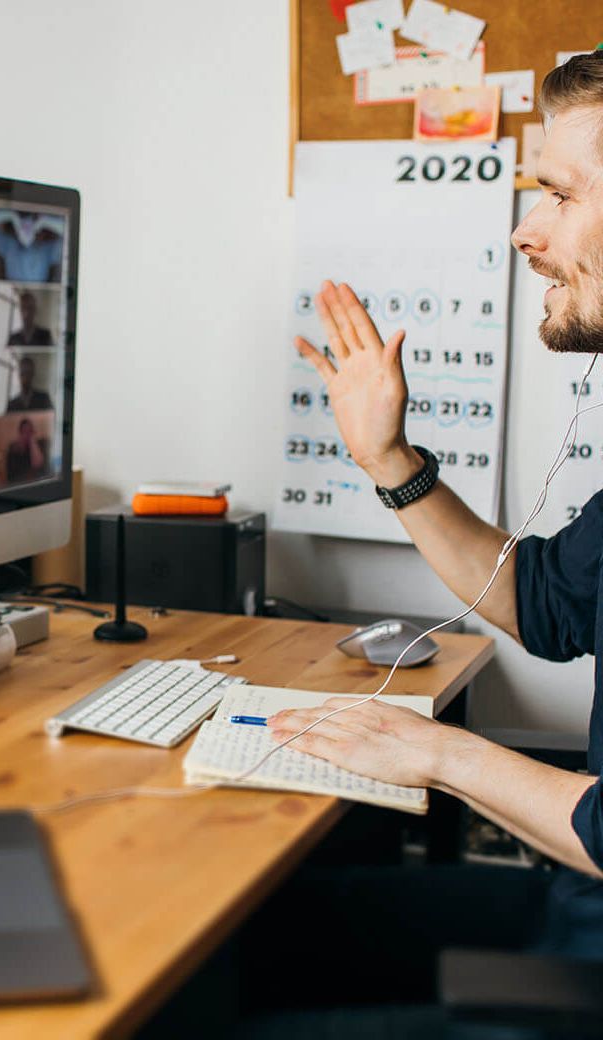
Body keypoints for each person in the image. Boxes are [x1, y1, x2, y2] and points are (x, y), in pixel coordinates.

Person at [238, 54, 603, 1039]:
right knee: (241, 943)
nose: (525, 231)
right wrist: (388, 460)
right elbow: (547, 606)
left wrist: (434, 750)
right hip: (574, 916)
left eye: (559, 195)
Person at [0, 211, 62, 282]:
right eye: (22, 224)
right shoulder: (8, 245)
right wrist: (11, 215)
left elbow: (67, 232)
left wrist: (45, 221)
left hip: (38, 290)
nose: (26, 229)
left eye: (30, 225)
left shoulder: (47, 251)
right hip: (13, 289)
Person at [5, 417, 46, 483]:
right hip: (20, 482)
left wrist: (32, 441)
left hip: (36, 481)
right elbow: (11, 475)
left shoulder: (37, 444)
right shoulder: (13, 447)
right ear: (20, 433)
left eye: (29, 431)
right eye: (24, 431)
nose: (27, 435)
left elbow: (37, 464)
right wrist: (21, 446)